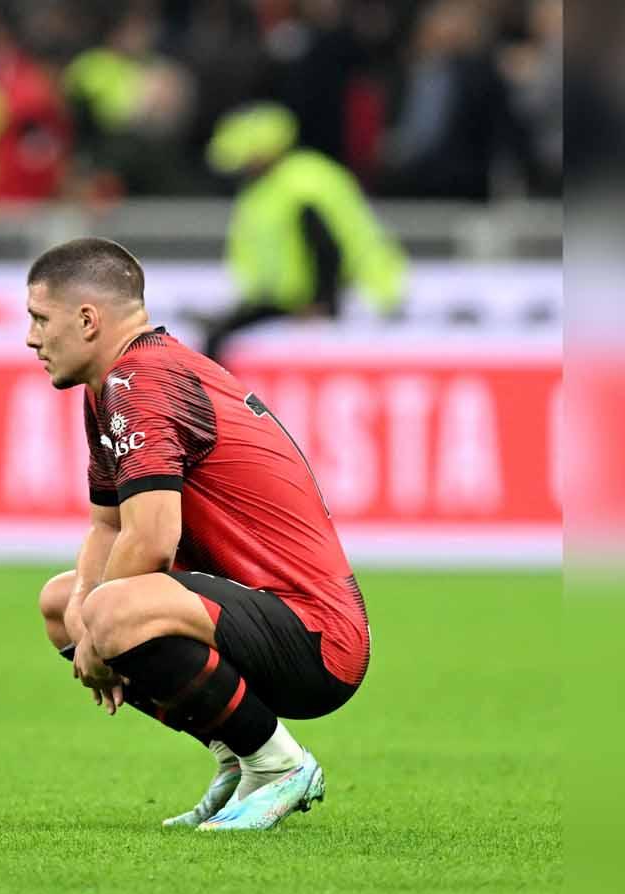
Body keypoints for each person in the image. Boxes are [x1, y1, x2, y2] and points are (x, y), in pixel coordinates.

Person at [24, 238, 370, 832]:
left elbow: (152, 541)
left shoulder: (143, 382)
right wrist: (84, 618)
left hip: (317, 636)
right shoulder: (113, 385)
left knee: (108, 611)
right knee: (64, 604)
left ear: (87, 320)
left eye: (38, 319)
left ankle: (279, 764)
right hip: (260, 616)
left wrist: (100, 632)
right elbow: (107, 525)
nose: (31, 338)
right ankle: (239, 758)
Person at [199, 103, 406, 364]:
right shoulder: (276, 184)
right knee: (218, 336)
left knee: (220, 338)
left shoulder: (302, 183)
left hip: (354, 297)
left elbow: (327, 247)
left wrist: (322, 303)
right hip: (296, 298)